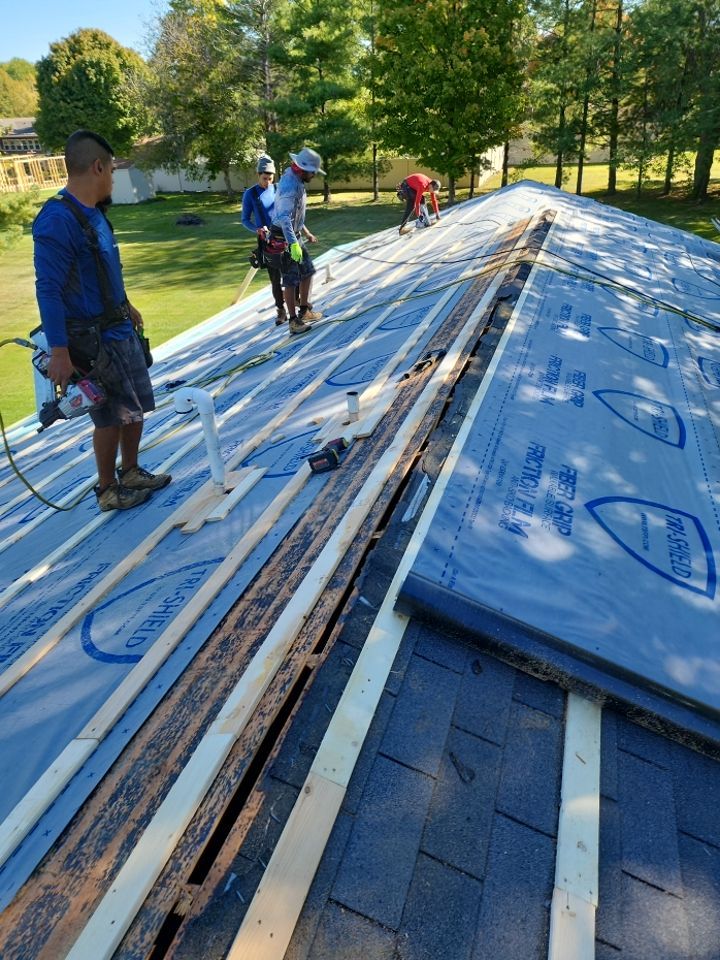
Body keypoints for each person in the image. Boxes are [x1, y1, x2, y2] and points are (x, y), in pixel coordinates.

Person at [33, 129, 171, 512]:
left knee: (135, 407)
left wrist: (126, 305)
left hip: (120, 329)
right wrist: (59, 350)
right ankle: (108, 490)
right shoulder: (57, 220)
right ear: (97, 167)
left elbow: (104, 269)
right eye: (110, 170)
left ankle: (130, 471)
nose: (112, 178)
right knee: (109, 415)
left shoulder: (94, 216)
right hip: (94, 341)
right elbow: (49, 290)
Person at [270, 147, 325, 335]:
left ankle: (305, 311)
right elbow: (285, 218)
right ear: (303, 169)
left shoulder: (297, 179)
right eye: (313, 172)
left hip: (294, 234)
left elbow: (296, 215)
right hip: (283, 237)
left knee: (307, 270)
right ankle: (293, 322)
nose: (314, 175)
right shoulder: (289, 186)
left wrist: (305, 233)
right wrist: (293, 243)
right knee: (291, 278)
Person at [241, 154, 288, 326]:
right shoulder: (250, 194)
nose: (267, 182)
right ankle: (280, 310)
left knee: (291, 273)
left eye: (270, 178)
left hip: (284, 237)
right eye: (264, 178)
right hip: (267, 242)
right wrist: (257, 229)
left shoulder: (278, 190)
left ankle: (297, 304)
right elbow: (245, 219)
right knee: (275, 278)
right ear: (258, 175)